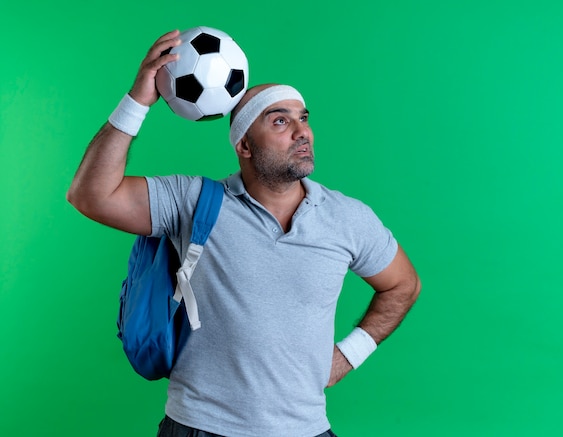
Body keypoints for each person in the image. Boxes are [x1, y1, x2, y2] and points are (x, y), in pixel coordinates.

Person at [67, 29, 421, 437]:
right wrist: (137, 101)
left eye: (303, 118)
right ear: (245, 147)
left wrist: (347, 355)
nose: (301, 131)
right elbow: (90, 195)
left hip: (306, 430)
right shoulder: (194, 201)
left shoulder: (348, 218)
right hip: (198, 427)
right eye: (280, 121)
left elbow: (403, 286)